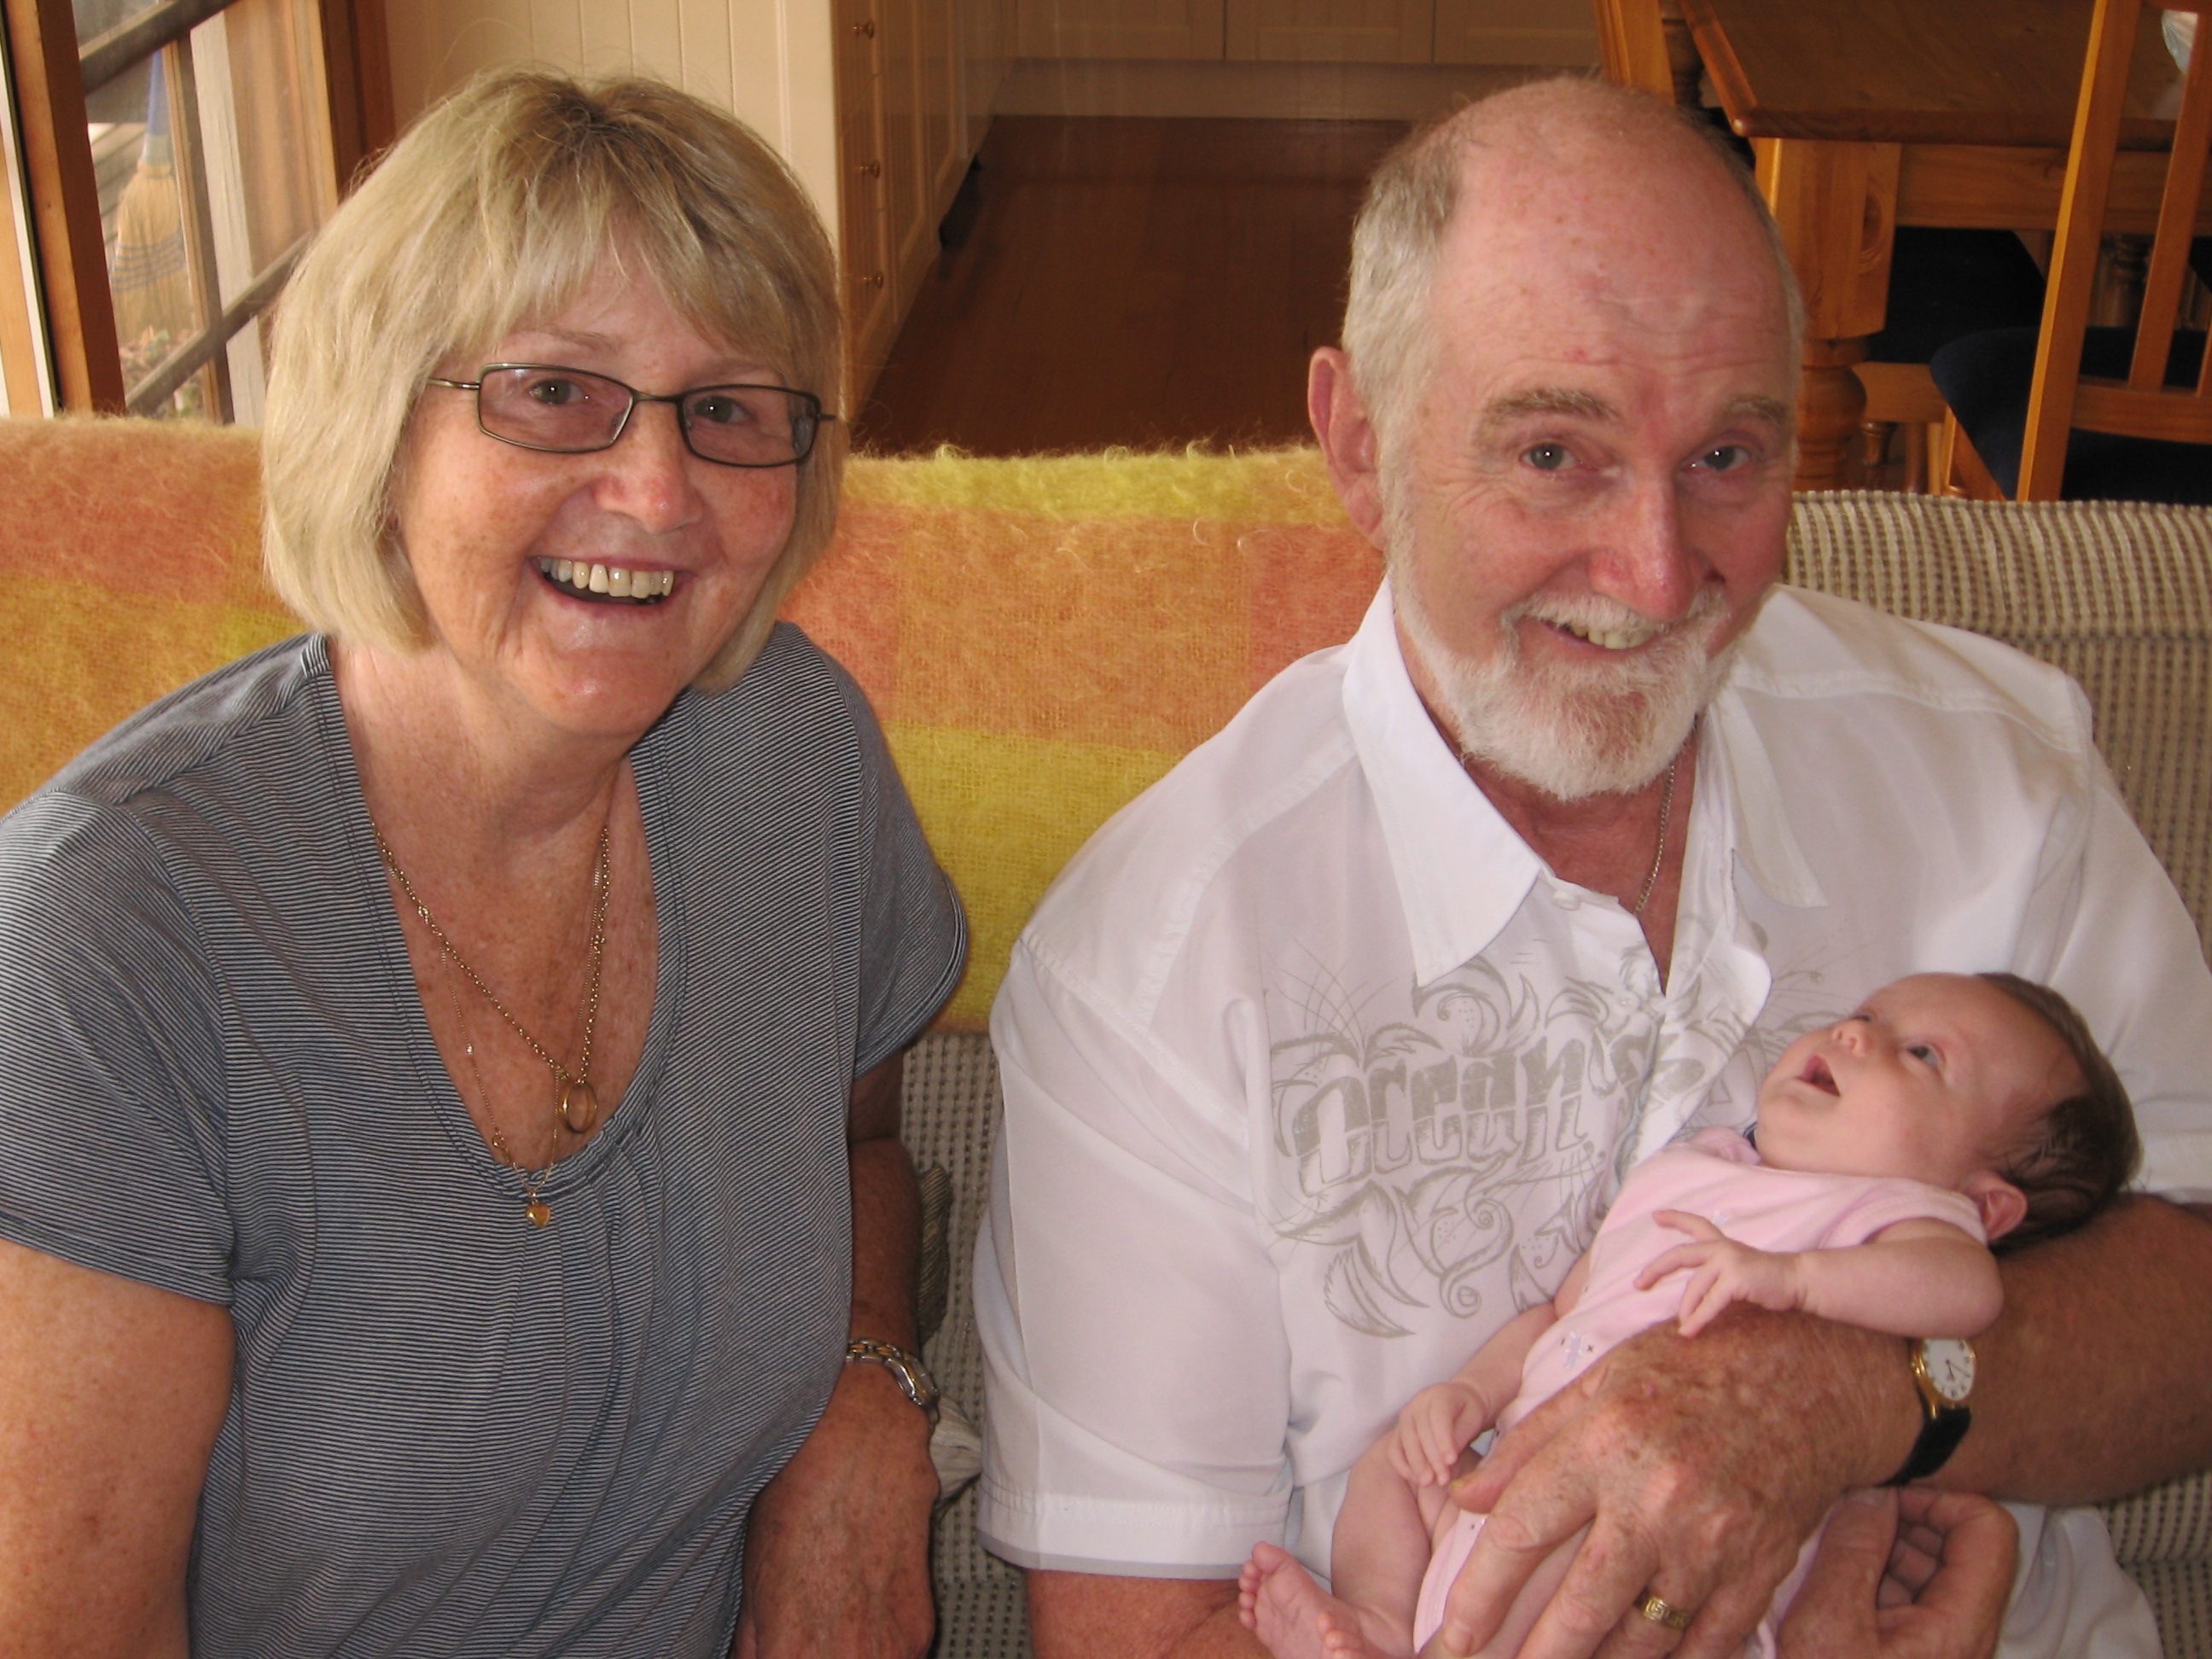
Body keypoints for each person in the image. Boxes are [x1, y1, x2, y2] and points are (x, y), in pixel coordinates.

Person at [974, 76, 2212, 1659]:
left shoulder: (1991, 775)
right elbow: (1140, 1633)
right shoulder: (1152, 973)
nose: (1654, 571)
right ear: (1359, 443)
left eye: (1727, 456)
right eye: (1554, 451)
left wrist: (1860, 1391)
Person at [0, 71, 963, 1659]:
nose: (656, 493)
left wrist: (866, 1390)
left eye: (728, 408)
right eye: (554, 391)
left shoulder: (792, 756)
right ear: (379, 428)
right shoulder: (105, 943)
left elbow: (859, 1139)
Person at [1239, 971, 2139, 1659]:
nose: (1857, 1034)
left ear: (1984, 1204)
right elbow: (1562, 1309)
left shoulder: (1903, 1218)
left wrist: (1797, 1281)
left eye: (1924, 1056)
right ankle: (1380, 1621)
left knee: (1587, 1559)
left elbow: (1967, 1295)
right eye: (1868, 1013)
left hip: (1648, 1547)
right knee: (1392, 1469)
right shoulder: (1695, 1168)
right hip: (1509, 1484)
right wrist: (1470, 1393)